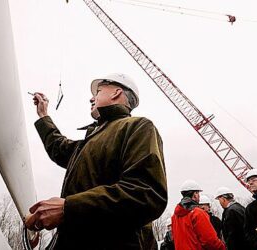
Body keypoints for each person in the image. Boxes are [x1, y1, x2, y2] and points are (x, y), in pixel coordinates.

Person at [25, 73, 168, 249]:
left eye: (98, 91)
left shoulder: (138, 127)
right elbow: (59, 148)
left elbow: (146, 194)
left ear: (116, 93)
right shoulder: (89, 141)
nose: (91, 98)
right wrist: (43, 115)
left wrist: (68, 208)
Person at [171, 180, 225, 250]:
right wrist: (222, 247)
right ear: (195, 194)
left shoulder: (174, 217)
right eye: (198, 193)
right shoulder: (198, 213)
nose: (199, 196)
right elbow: (209, 241)